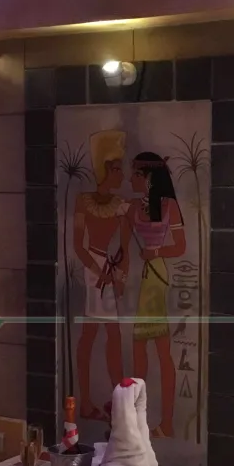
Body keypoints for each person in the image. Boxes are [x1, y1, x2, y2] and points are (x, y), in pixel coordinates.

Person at [72, 130, 131, 421]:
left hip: (108, 269)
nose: (122, 174)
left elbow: (125, 247)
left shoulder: (121, 205)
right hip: (94, 269)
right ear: (105, 170)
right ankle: (88, 402)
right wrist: (99, 274)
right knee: (94, 334)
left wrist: (119, 276)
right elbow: (78, 245)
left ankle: (114, 401)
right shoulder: (83, 201)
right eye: (117, 169)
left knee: (106, 334)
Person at [127, 152, 186, 438]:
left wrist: (156, 251)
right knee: (143, 348)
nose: (131, 179)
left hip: (157, 275)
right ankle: (143, 420)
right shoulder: (134, 206)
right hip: (145, 277)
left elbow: (180, 246)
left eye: (136, 174)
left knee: (157, 348)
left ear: (149, 177)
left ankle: (166, 421)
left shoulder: (168, 206)